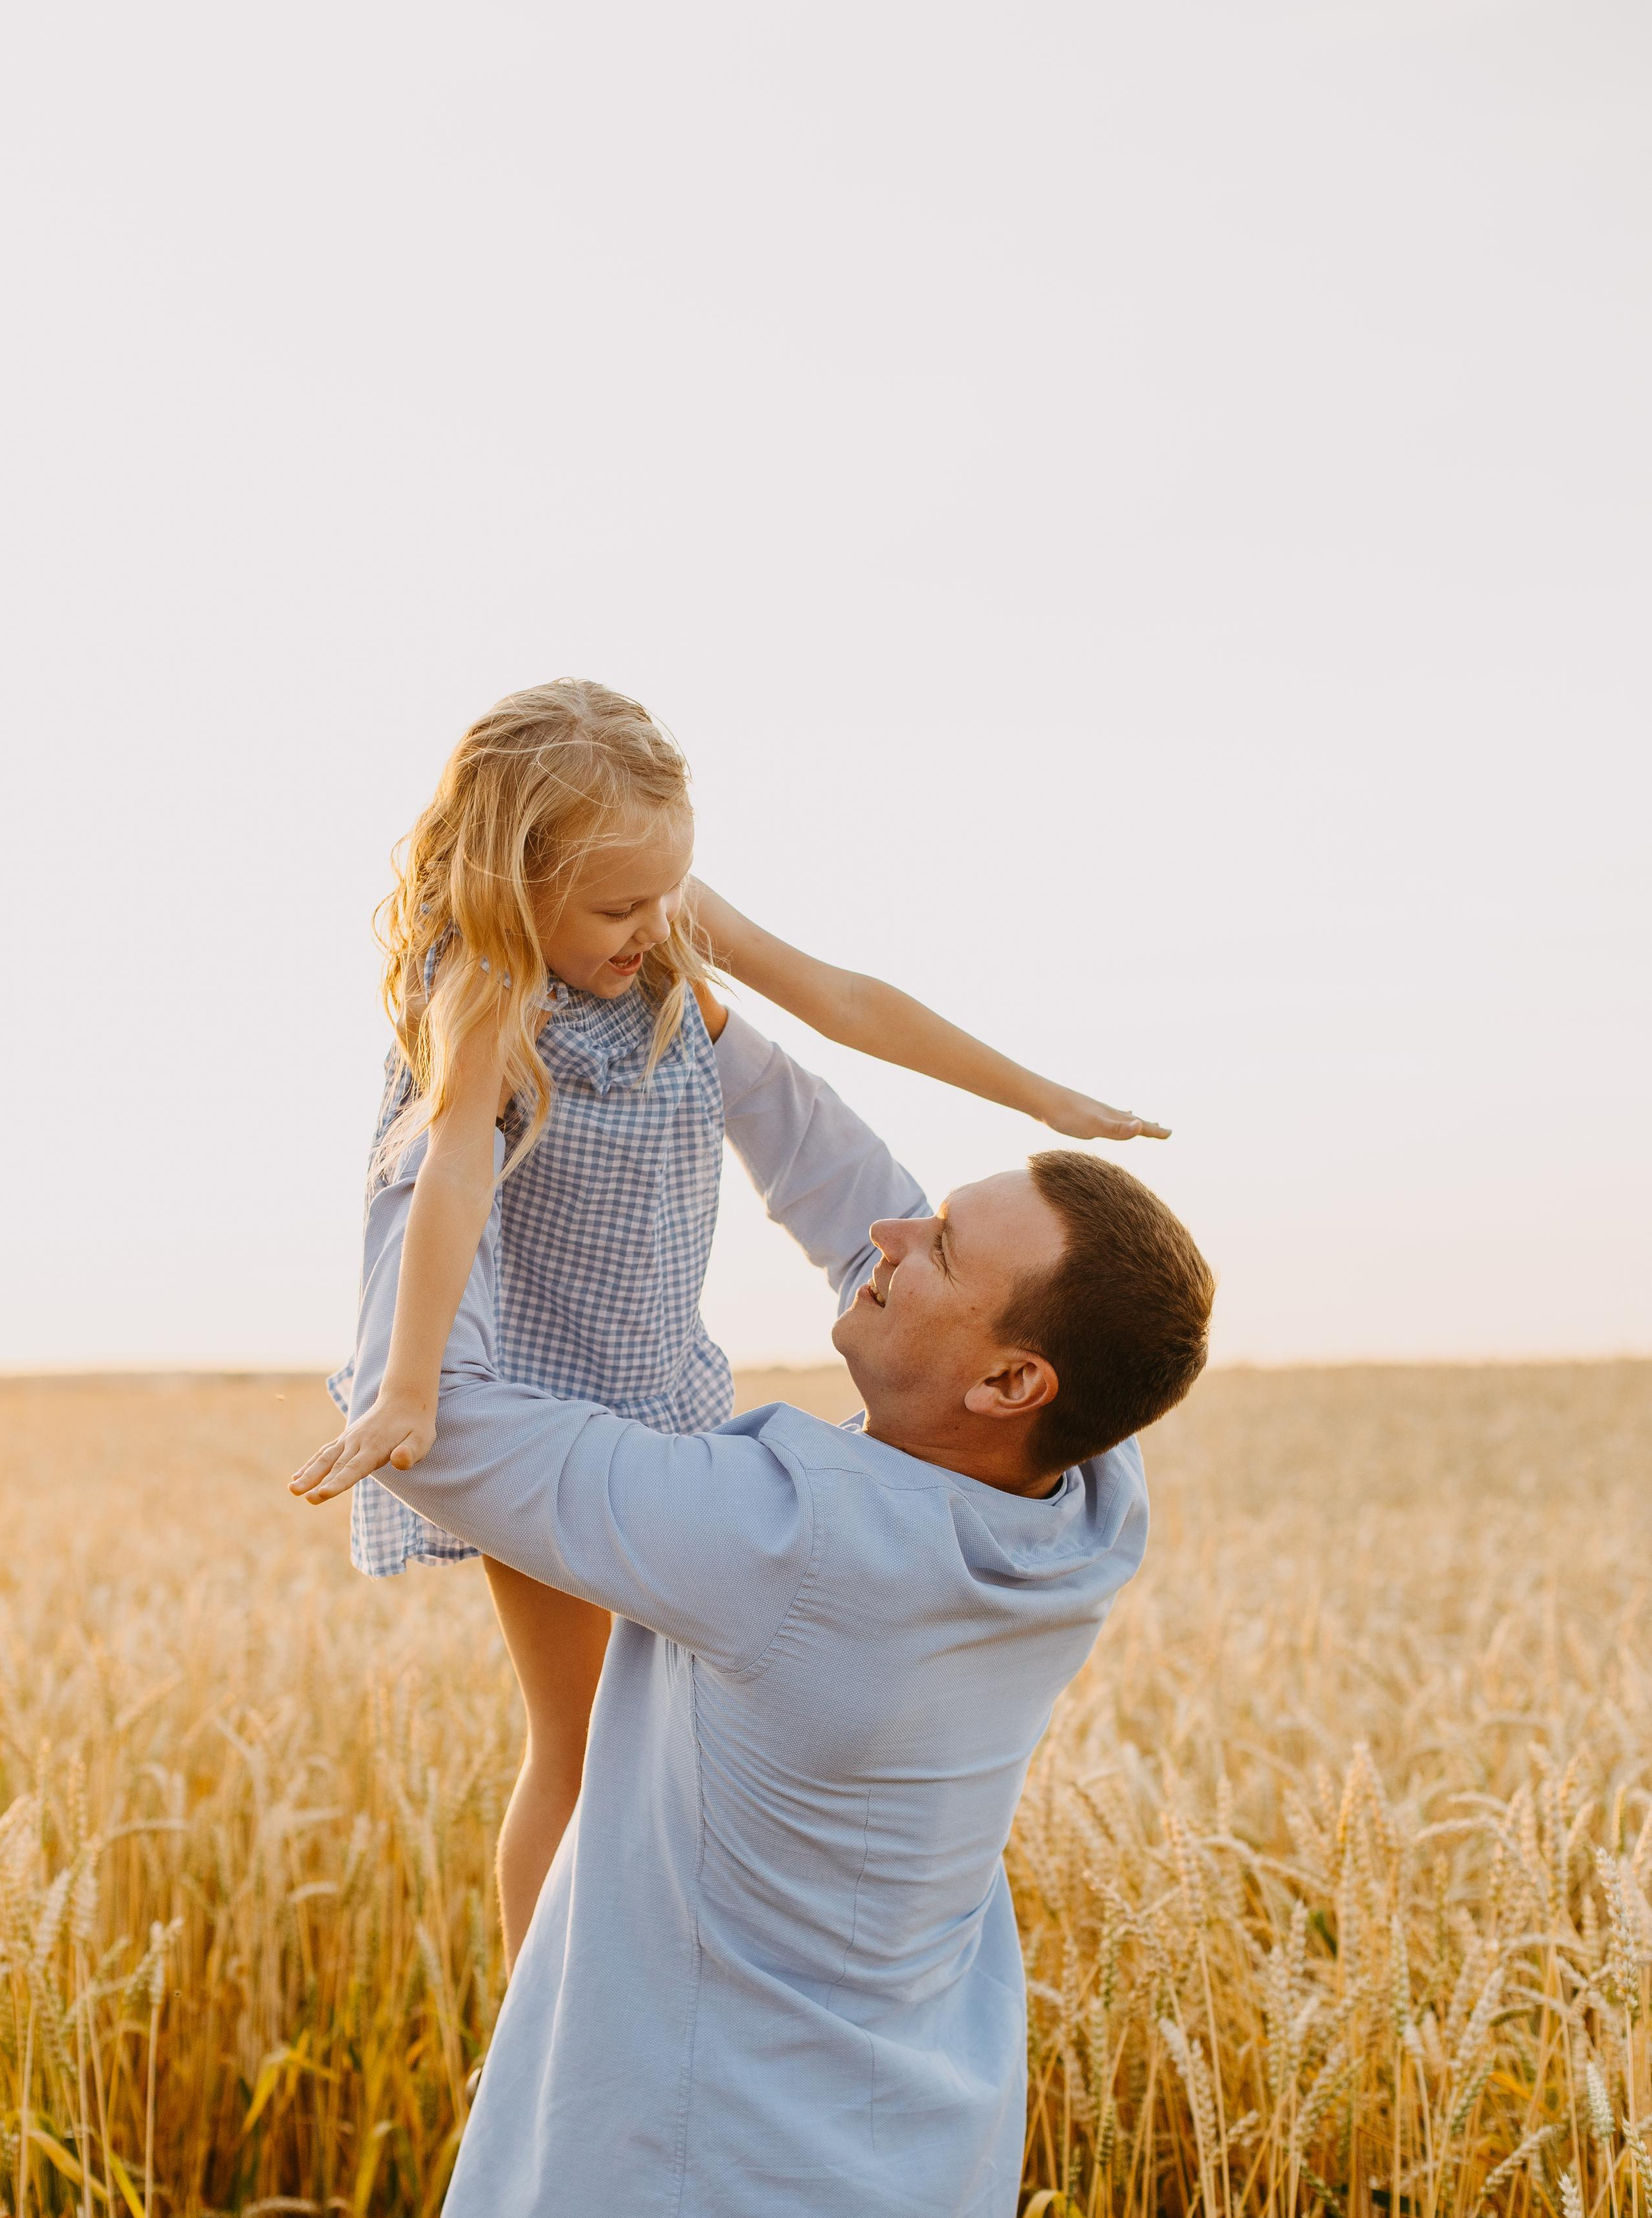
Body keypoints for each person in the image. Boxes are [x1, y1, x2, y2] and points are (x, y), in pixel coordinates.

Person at [334, 1004, 1213, 2218]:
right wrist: (696, 1003)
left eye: (937, 1242)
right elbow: (854, 1199)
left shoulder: (786, 1544)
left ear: (1009, 1377)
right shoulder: (1083, 1500)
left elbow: (431, 1418)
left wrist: (443, 1100)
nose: (887, 1232)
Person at [291, 676, 1168, 1962]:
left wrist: (1037, 1093)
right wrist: (413, 1388)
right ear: (512, 880)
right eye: (617, 905)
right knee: (579, 1733)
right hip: (543, 1384)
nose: (656, 925)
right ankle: (541, 2016)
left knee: (678, 1732)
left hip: (663, 1385)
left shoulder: (662, 936)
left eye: (667, 892)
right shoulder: (480, 986)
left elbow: (848, 1003)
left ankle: (670, 1964)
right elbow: (448, 1177)